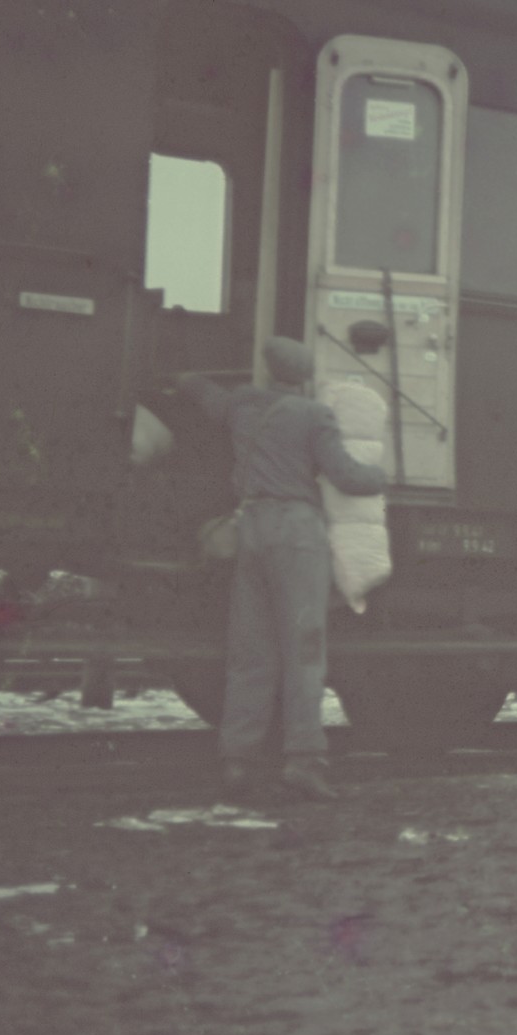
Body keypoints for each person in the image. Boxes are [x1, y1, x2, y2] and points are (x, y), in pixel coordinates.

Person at [177, 337, 387, 801]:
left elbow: (205, 395)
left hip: (250, 528)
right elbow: (348, 476)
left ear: (270, 370)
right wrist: (381, 477)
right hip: (296, 536)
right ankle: (304, 761)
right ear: (306, 377)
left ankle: (237, 761)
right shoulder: (314, 416)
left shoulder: (244, 406)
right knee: (304, 650)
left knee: (251, 652)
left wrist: (184, 376)